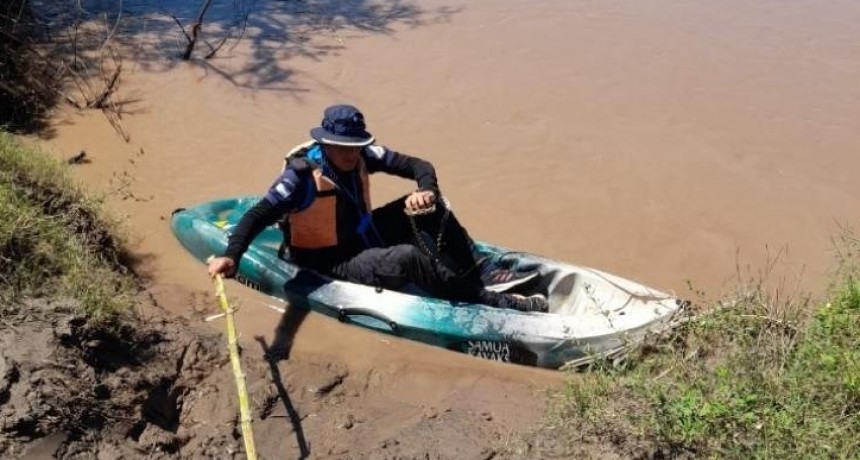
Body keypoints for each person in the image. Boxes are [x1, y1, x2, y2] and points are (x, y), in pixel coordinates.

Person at [207, 104, 548, 313]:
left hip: (362, 235)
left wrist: (426, 192)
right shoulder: (298, 179)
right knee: (407, 257)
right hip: (330, 259)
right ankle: (488, 300)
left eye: (356, 146)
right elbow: (257, 216)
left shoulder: (363, 155)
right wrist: (231, 256)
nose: (351, 154)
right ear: (325, 143)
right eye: (343, 148)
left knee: (431, 208)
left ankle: (480, 270)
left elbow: (419, 165)